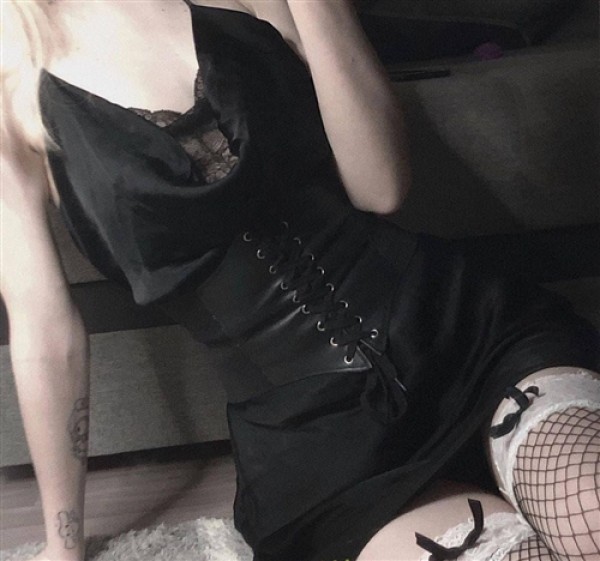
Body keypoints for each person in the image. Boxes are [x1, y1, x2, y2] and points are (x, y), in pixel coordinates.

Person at [1, 1, 598, 561]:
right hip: (322, 451)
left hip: (467, 339)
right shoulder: (13, 74)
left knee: (590, 516)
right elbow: (45, 328)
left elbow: (381, 187)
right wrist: (63, 543)